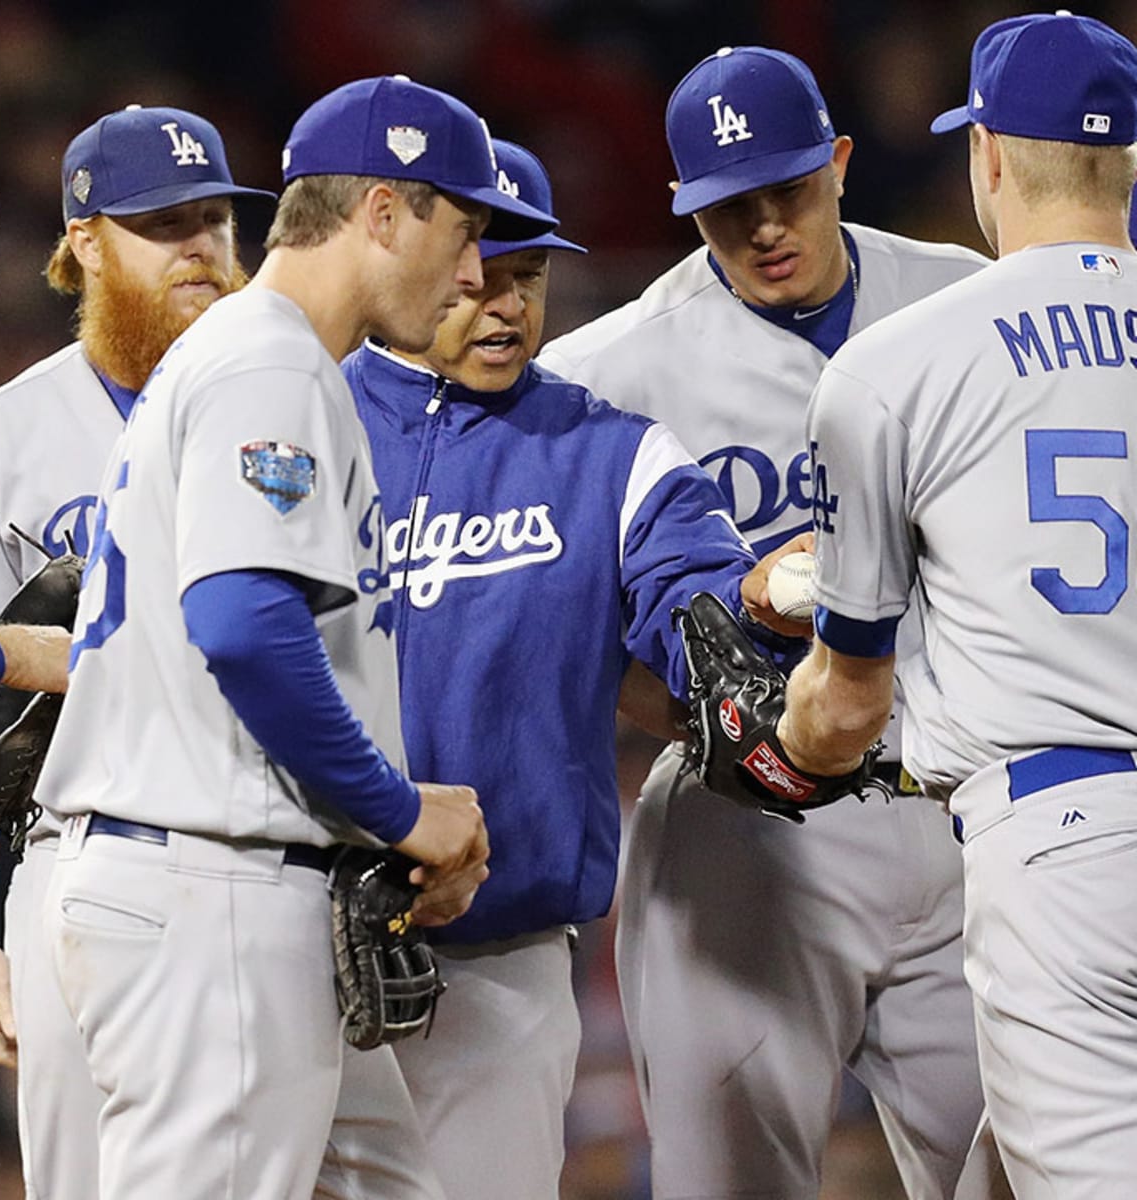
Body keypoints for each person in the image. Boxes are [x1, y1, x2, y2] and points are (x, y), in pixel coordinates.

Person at [34, 75, 561, 1200]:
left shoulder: (252, 359)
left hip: (225, 886)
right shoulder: (268, 360)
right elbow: (245, 627)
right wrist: (399, 809)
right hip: (208, 895)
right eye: (462, 231)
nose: (476, 274)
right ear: (383, 214)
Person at [540, 46, 993, 1200]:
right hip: (747, 829)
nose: (761, 229)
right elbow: (573, 631)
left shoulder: (965, 301)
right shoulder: (606, 373)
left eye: (785, 190)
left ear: (839, 161)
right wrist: (703, 718)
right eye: (725, 209)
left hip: (961, 812)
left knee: (1022, 1168)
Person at [341, 136, 789, 1200]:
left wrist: (750, 614)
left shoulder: (610, 451)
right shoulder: (299, 420)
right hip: (293, 937)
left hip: (503, 956)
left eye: (528, 278)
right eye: (481, 273)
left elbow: (698, 588)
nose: (504, 306)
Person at [774, 13, 1137, 1199]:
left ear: (986, 155)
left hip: (1062, 845)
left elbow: (844, 706)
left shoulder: (897, 362)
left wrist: (777, 747)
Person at [0, 104, 271, 1196]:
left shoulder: (309, 399)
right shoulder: (4, 436)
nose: (199, 247)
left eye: (214, 218)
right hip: (79, 862)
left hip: (284, 859)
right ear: (83, 243)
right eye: (160, 223)